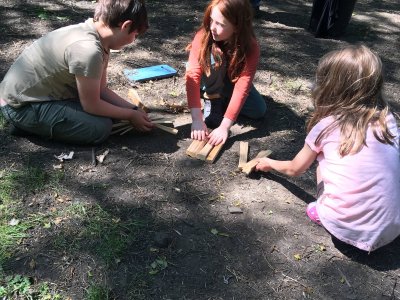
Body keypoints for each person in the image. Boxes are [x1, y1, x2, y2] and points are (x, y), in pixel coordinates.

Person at [255, 45, 400, 252]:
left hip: (346, 229)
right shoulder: (388, 120)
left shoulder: (328, 126)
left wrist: (269, 163)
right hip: (394, 228)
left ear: (332, 87)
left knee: (320, 166)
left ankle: (326, 214)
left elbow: (295, 169)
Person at [0, 0, 153, 145]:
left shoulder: (99, 37)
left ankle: (40, 122)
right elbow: (91, 105)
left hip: (32, 96)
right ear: (126, 26)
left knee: (110, 114)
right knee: (100, 127)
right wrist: (130, 116)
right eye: (135, 35)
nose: (133, 40)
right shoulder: (88, 50)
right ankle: (28, 125)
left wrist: (133, 109)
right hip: (19, 107)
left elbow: (101, 90)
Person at [185, 0, 267, 146]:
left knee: (258, 110)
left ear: (237, 27)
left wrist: (225, 126)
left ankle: (222, 96)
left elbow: (243, 85)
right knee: (214, 56)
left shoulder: (251, 46)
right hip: (209, 74)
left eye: (220, 24)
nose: (212, 27)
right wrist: (197, 119)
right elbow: (193, 73)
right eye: (211, 20)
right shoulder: (203, 34)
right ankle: (213, 97)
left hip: (231, 79)